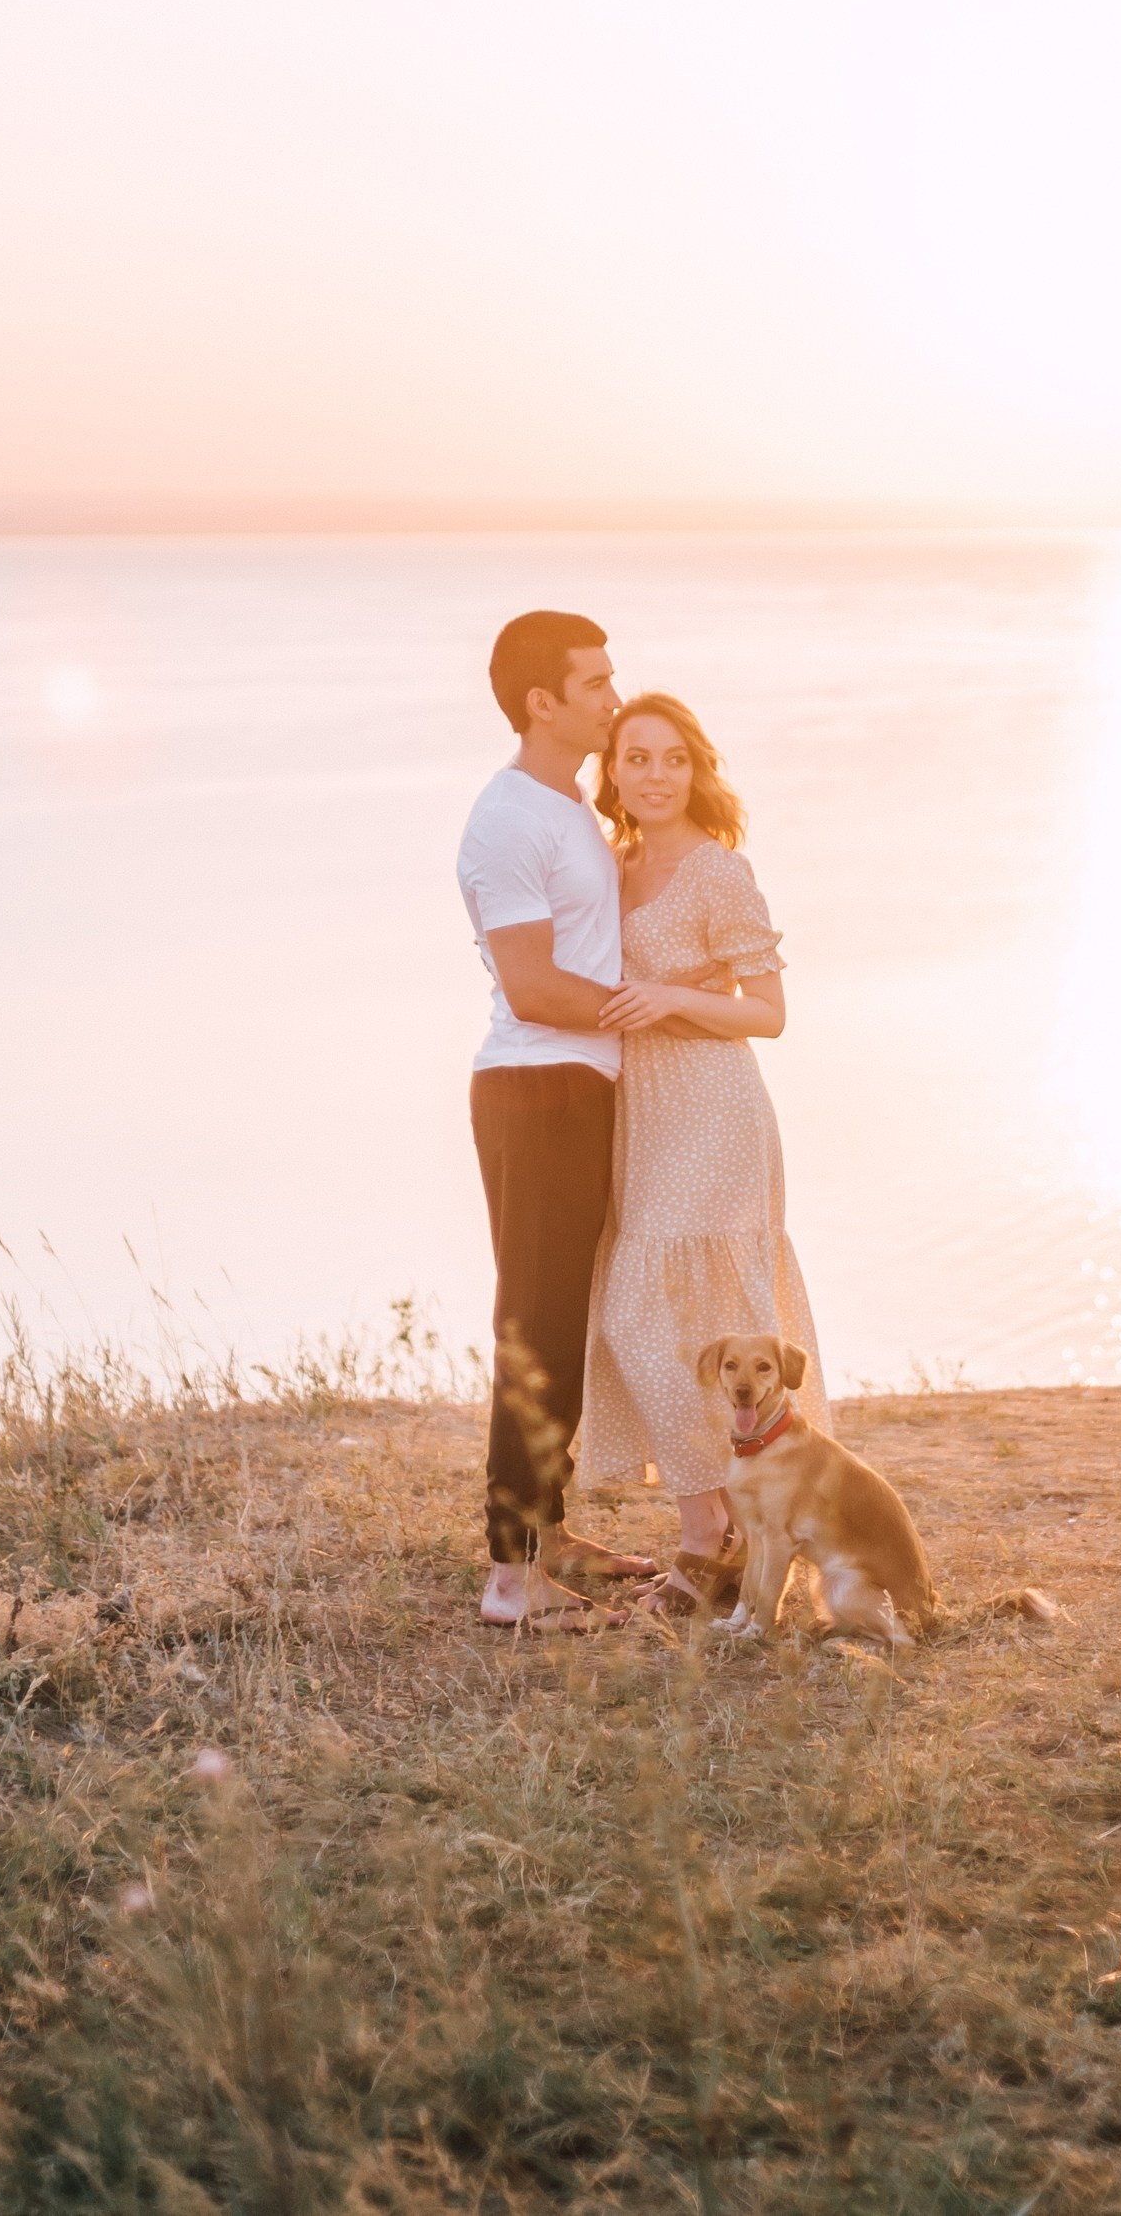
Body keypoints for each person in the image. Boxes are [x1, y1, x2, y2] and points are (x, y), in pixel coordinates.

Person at [577, 692, 826, 1623]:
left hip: (714, 1107)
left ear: (697, 769)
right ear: (612, 771)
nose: (655, 775)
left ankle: (715, 1532)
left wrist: (669, 999)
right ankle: (719, 1524)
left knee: (680, 1313)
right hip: (642, 1108)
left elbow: (769, 1012)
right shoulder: (610, 865)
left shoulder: (717, 871)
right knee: (648, 1319)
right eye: (637, 758)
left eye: (673, 758)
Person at [455, 611, 657, 1629]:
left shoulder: (569, 803)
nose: (613, 698)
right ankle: (512, 1577)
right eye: (594, 683)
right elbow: (532, 985)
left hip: (580, 1085)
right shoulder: (507, 819)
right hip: (536, 1091)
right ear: (541, 701)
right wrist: (661, 1009)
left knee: (565, 1322)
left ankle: (550, 1529)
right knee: (533, 1329)